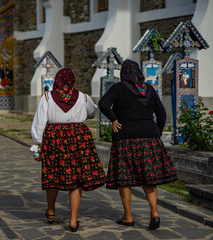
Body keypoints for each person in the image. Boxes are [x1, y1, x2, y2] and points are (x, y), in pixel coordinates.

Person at [99, 59, 177, 230]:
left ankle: (128, 216)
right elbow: (162, 114)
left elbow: (103, 104)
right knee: (148, 178)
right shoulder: (148, 89)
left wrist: (114, 119)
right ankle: (154, 212)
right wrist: (155, 131)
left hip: (124, 139)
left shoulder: (118, 88)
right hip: (149, 139)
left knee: (124, 179)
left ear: (124, 74)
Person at [31, 68, 106, 232]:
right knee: (76, 178)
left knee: (53, 174)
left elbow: (39, 123)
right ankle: (73, 220)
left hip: (54, 140)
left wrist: (37, 144)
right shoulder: (83, 97)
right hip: (78, 139)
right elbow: (92, 113)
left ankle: (51, 212)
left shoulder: (47, 97)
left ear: (57, 81)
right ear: (73, 81)